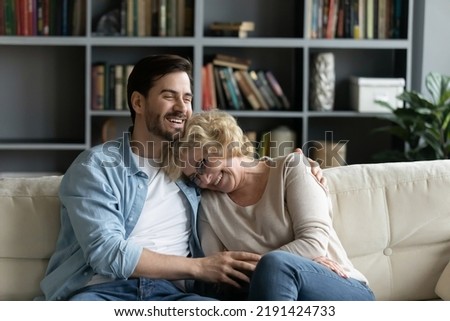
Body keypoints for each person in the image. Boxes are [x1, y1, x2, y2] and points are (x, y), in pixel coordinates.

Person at [39, 54, 261, 301]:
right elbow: (107, 253)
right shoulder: (96, 167)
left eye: (187, 98)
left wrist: (300, 166)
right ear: (138, 103)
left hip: (174, 296)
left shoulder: (194, 167)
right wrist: (200, 267)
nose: (181, 107)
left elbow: (242, 165)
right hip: (103, 292)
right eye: (169, 96)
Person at [166, 110, 376, 301]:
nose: (205, 179)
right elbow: (221, 277)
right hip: (276, 297)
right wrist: (290, 263)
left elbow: (314, 242)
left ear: (224, 142)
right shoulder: (209, 206)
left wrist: (281, 268)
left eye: (202, 163)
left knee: (276, 265)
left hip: (338, 283)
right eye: (194, 177)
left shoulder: (290, 168)